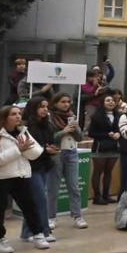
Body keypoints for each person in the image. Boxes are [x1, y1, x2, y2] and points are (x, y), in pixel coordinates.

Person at [0, 106, 50, 253]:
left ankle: (38, 234)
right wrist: (18, 150)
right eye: (13, 114)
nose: (18, 116)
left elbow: (35, 154)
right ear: (4, 117)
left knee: (30, 207)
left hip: (21, 175)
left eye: (19, 114)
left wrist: (26, 147)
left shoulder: (23, 131)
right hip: (0, 178)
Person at [20, 96, 56, 243]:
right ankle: (43, 230)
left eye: (46, 106)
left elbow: (48, 143)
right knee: (40, 199)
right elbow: (31, 149)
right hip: (31, 167)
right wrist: (46, 150)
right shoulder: (25, 126)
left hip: (44, 165)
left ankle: (27, 232)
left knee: (35, 200)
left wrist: (50, 149)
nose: (45, 109)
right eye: (41, 106)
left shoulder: (48, 125)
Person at [47, 93, 85, 230]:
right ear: (55, 103)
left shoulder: (71, 116)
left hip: (72, 152)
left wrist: (75, 130)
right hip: (56, 153)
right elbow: (51, 137)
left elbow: (80, 138)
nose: (66, 104)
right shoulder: (49, 117)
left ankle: (77, 216)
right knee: (53, 188)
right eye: (63, 102)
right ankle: (51, 217)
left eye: (68, 102)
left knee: (74, 187)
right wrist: (64, 131)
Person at [87, 94, 122, 207]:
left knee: (108, 171)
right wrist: (107, 134)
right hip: (100, 147)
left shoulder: (119, 116)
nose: (111, 102)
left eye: (112, 100)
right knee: (98, 171)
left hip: (114, 147)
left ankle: (106, 195)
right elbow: (91, 133)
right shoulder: (96, 116)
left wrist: (118, 133)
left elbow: (121, 129)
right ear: (103, 103)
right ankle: (97, 196)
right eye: (108, 100)